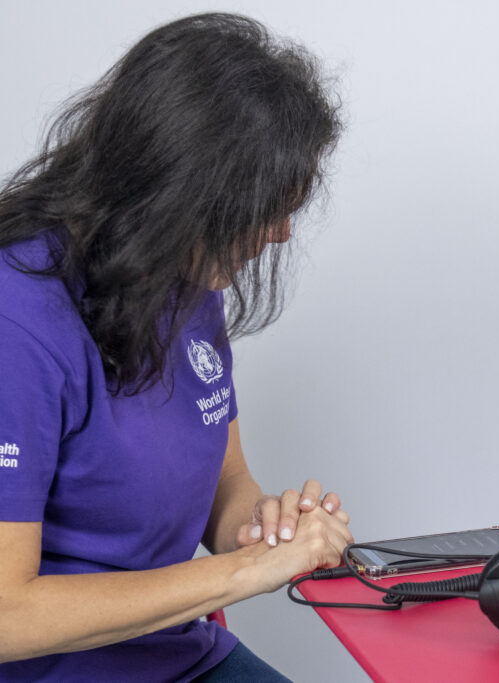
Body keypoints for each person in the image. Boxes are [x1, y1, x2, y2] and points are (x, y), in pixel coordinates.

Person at [0, 13, 352, 681]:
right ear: (178, 188)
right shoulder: (15, 320)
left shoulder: (183, 276)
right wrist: (246, 569)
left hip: (173, 654)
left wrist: (268, 526)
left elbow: (227, 481)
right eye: (264, 207)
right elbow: (5, 616)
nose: (279, 233)